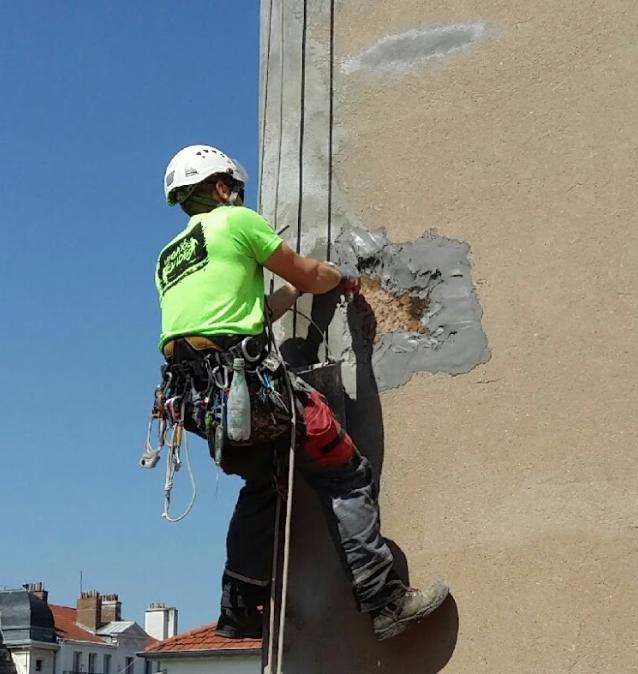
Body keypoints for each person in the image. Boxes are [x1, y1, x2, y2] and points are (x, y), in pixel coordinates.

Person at [153, 145, 449, 641]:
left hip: (201, 402)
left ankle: (238, 610)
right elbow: (309, 272)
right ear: (221, 187)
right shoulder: (236, 221)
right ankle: (386, 602)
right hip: (245, 385)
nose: (238, 196)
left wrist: (289, 295)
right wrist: (337, 277)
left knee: (262, 485)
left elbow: (234, 317)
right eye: (235, 189)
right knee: (344, 471)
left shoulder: (168, 259)